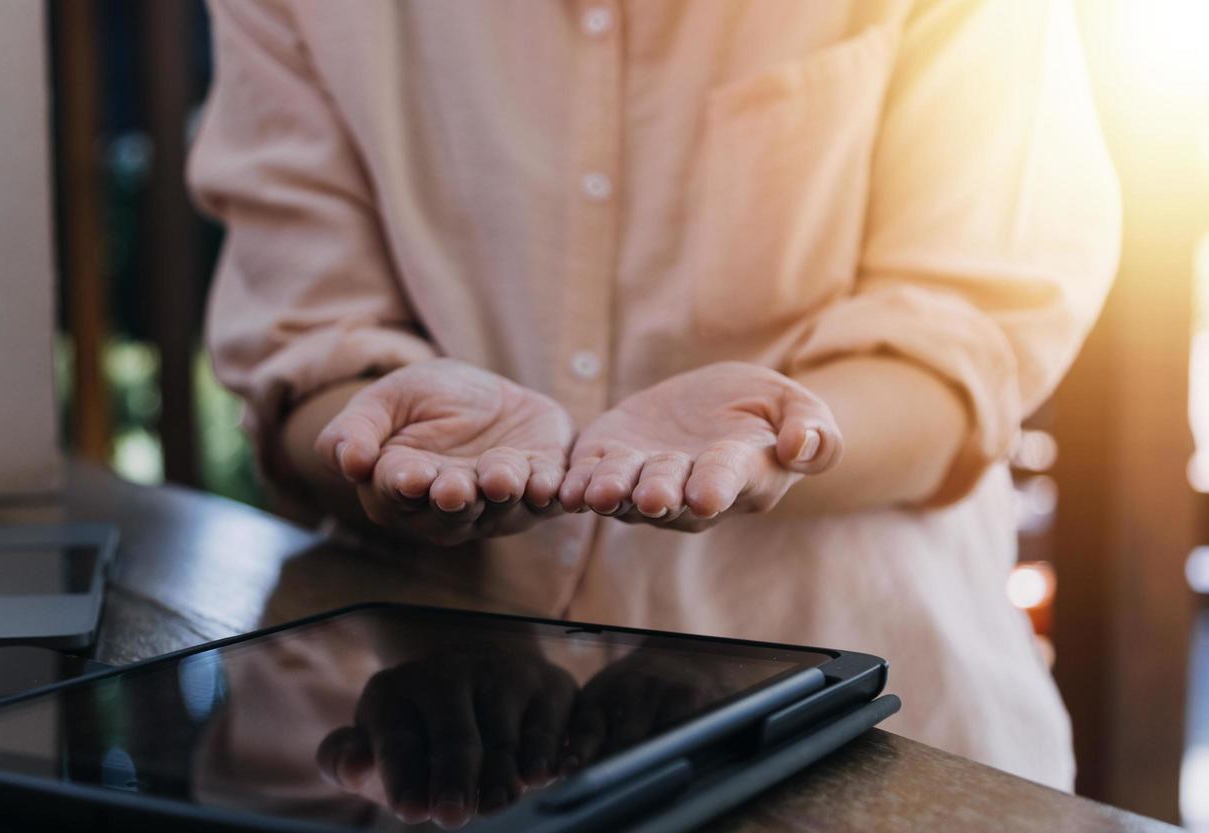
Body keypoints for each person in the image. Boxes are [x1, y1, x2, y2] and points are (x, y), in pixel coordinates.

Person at [188, 0, 1120, 789]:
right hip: (417, 745)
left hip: (879, 750)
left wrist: (779, 436)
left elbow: (960, 352)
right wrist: (384, 437)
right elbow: (302, 353)